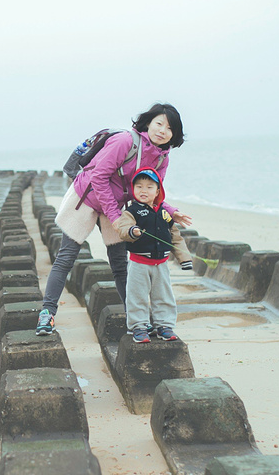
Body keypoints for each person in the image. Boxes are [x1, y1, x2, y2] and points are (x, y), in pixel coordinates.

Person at [36, 103, 192, 336]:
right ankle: (46, 314)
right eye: (159, 123)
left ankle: (136, 319)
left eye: (169, 128)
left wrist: (170, 210)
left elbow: (150, 192)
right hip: (86, 198)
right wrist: (116, 217)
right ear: (148, 123)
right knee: (66, 257)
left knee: (120, 264)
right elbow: (99, 178)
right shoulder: (125, 142)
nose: (162, 131)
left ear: (175, 134)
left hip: (116, 207)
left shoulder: (162, 159)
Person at [116, 167, 185, 342]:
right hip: (139, 263)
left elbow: (175, 237)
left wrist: (184, 259)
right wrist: (132, 231)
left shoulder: (164, 213)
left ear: (157, 191)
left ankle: (164, 325)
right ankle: (138, 327)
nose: (143, 190)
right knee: (137, 296)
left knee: (163, 295)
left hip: (161, 264)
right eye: (139, 187)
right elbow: (123, 228)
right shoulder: (131, 212)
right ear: (133, 190)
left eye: (149, 187)